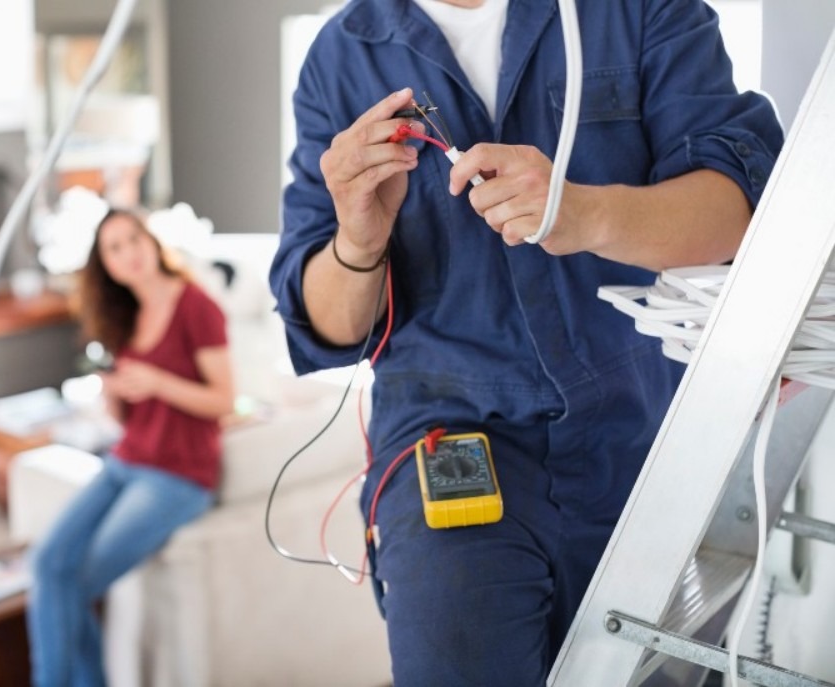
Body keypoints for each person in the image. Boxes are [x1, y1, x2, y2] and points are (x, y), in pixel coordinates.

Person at [269, 0, 784, 684]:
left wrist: (584, 212)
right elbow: (327, 322)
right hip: (445, 435)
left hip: (643, 438)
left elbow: (743, 210)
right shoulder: (342, 55)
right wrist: (358, 239)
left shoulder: (640, 11)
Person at [27, 209, 234, 687]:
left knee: (72, 585)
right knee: (47, 564)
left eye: (132, 240)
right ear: (107, 266)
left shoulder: (196, 306)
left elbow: (223, 399)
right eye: (113, 249)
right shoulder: (125, 316)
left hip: (178, 476)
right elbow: (128, 419)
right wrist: (115, 397)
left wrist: (159, 381)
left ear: (151, 242)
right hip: (126, 459)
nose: (127, 254)